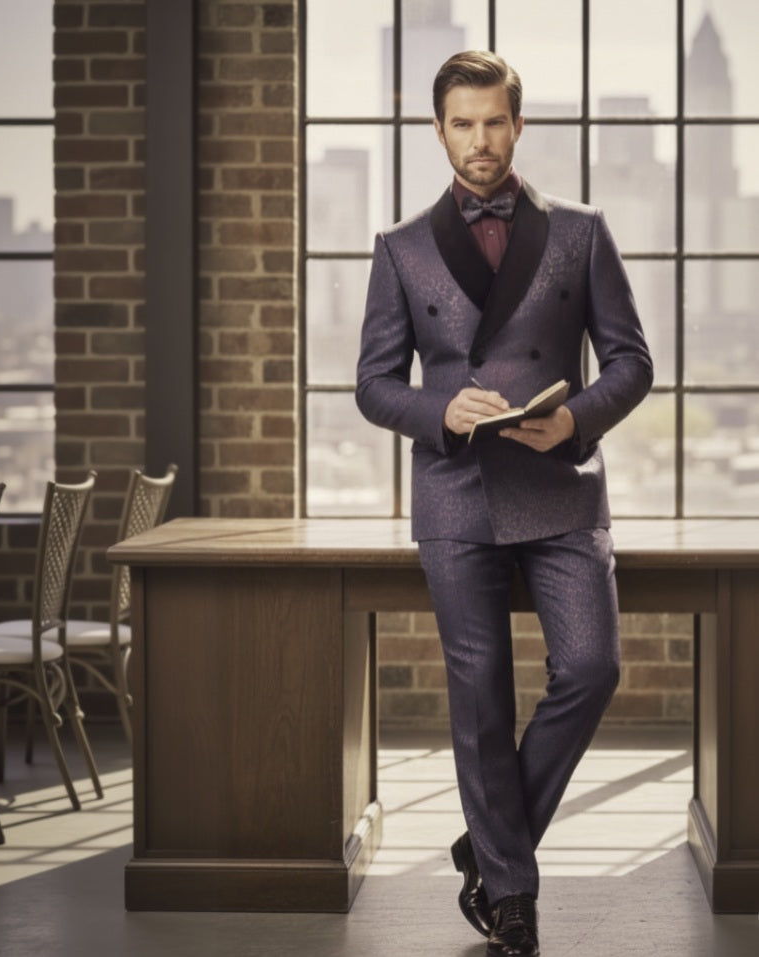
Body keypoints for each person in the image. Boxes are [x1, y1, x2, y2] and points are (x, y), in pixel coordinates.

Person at [356, 50, 653, 957]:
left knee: (592, 669)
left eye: (494, 122)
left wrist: (575, 424)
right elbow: (373, 386)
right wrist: (439, 409)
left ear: (518, 125)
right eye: (461, 124)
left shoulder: (580, 231)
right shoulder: (402, 247)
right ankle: (510, 891)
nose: (479, 142)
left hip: (561, 486)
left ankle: (488, 839)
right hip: (456, 491)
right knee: (481, 696)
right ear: (439, 130)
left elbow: (633, 362)